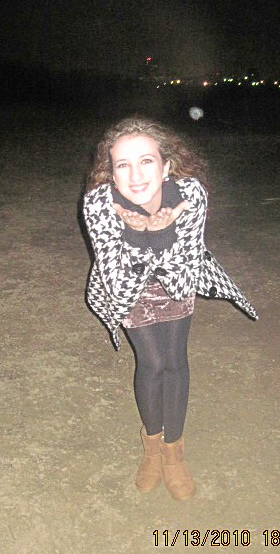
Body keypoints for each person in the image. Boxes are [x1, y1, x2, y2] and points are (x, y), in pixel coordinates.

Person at [83, 117, 257, 501]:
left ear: (166, 167)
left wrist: (161, 233)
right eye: (123, 165)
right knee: (152, 362)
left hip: (177, 275)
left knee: (175, 360)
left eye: (146, 161)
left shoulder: (190, 195)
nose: (135, 175)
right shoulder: (99, 204)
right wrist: (135, 234)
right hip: (126, 283)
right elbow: (120, 288)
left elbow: (180, 282)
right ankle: (151, 447)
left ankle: (173, 452)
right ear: (111, 174)